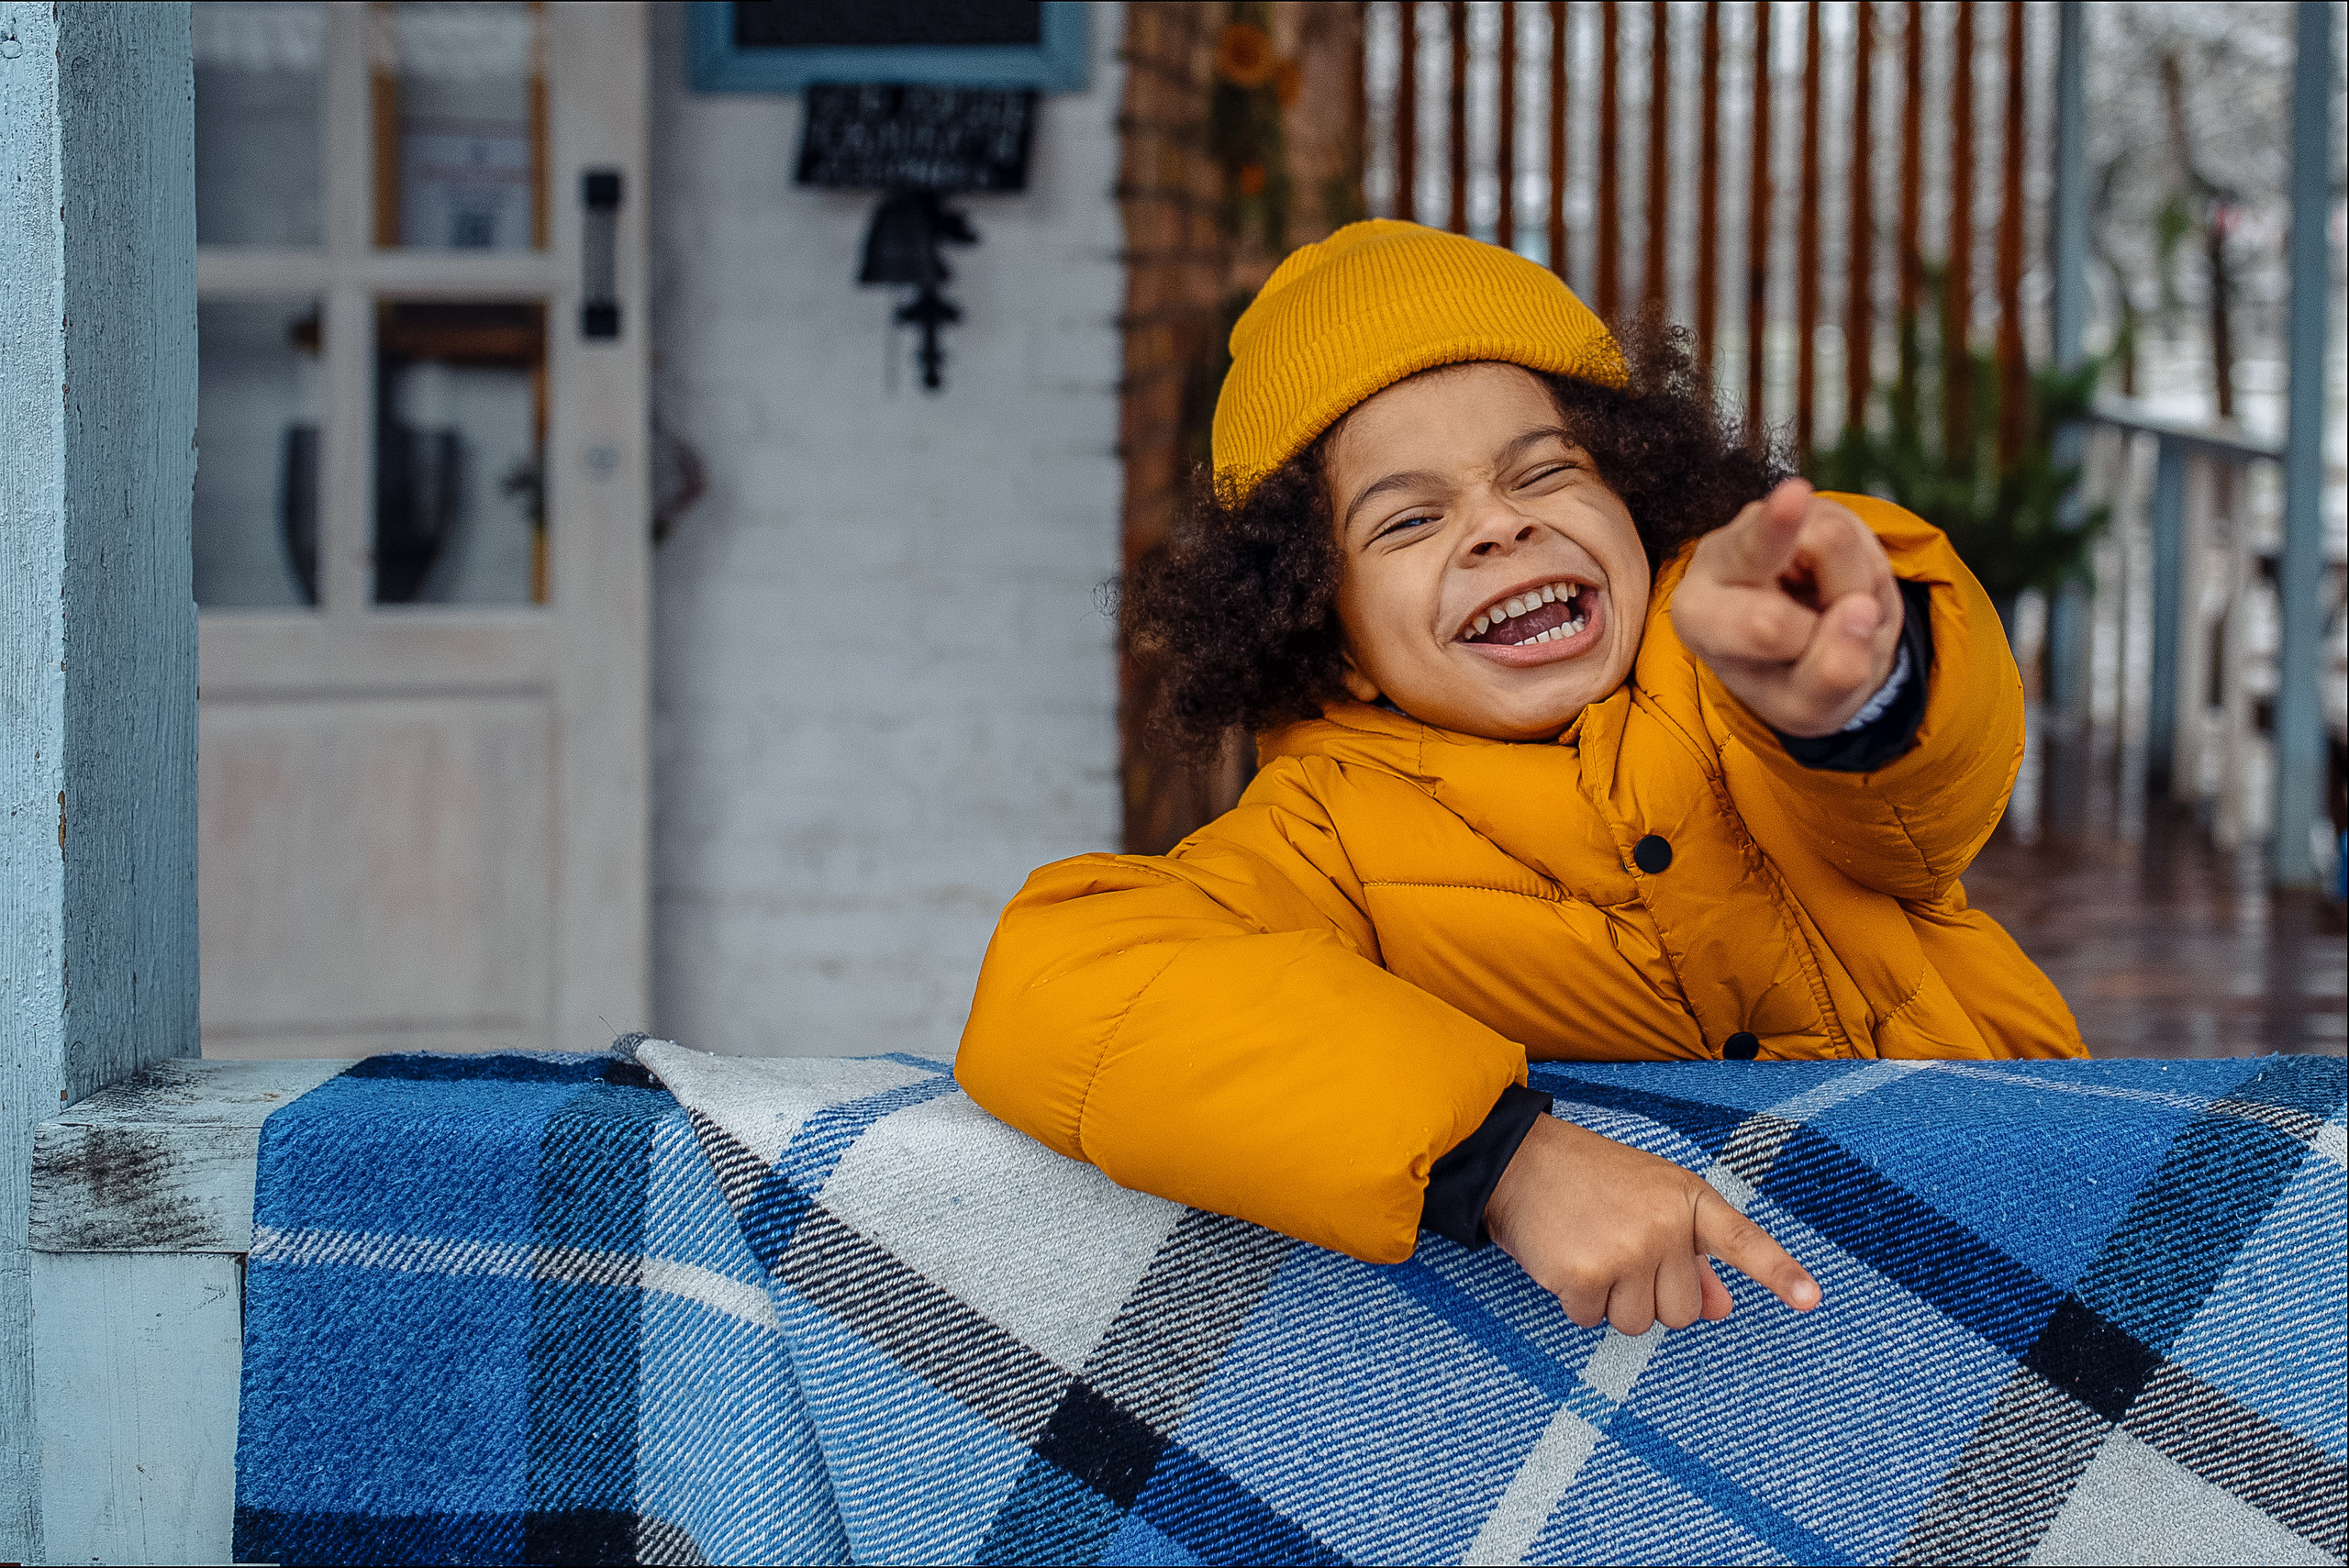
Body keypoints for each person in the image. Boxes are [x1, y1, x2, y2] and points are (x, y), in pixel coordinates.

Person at [956, 221, 2084, 1335]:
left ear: (1636, 496)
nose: (1500, 523)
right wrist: (1503, 1161)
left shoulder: (1728, 660)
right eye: (1407, 518)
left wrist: (1850, 684)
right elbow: (1061, 986)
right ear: (1325, 627)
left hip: (2036, 1246)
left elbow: (1929, 782)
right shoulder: (1323, 833)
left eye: (1544, 470)